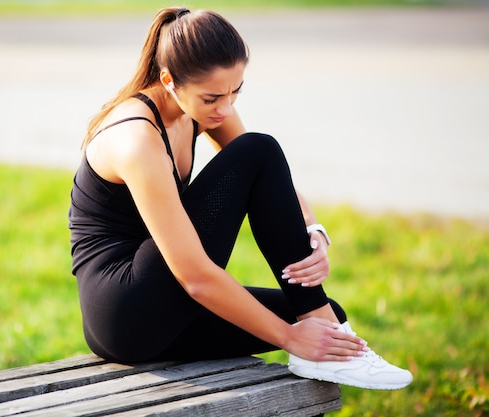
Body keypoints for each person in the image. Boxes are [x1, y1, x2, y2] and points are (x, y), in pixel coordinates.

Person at [68, 6, 412, 390]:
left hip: (161, 312)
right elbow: (195, 276)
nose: (226, 107)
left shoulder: (200, 106)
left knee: (322, 322)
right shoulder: (136, 139)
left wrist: (312, 228)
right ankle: (337, 345)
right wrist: (288, 338)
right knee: (258, 149)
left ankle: (335, 346)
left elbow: (270, 181)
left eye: (236, 91)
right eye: (213, 97)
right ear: (169, 80)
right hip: (126, 312)